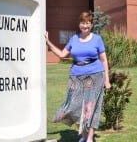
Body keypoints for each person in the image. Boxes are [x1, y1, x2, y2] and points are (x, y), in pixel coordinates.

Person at [45, 11, 111, 142]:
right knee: (72, 106)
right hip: (76, 76)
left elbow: (104, 60)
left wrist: (107, 80)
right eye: (82, 23)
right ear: (79, 24)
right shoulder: (74, 39)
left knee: (92, 108)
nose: (85, 26)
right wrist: (48, 42)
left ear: (91, 25)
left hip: (95, 76)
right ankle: (84, 135)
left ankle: (90, 138)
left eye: (87, 23)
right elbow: (62, 54)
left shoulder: (97, 39)